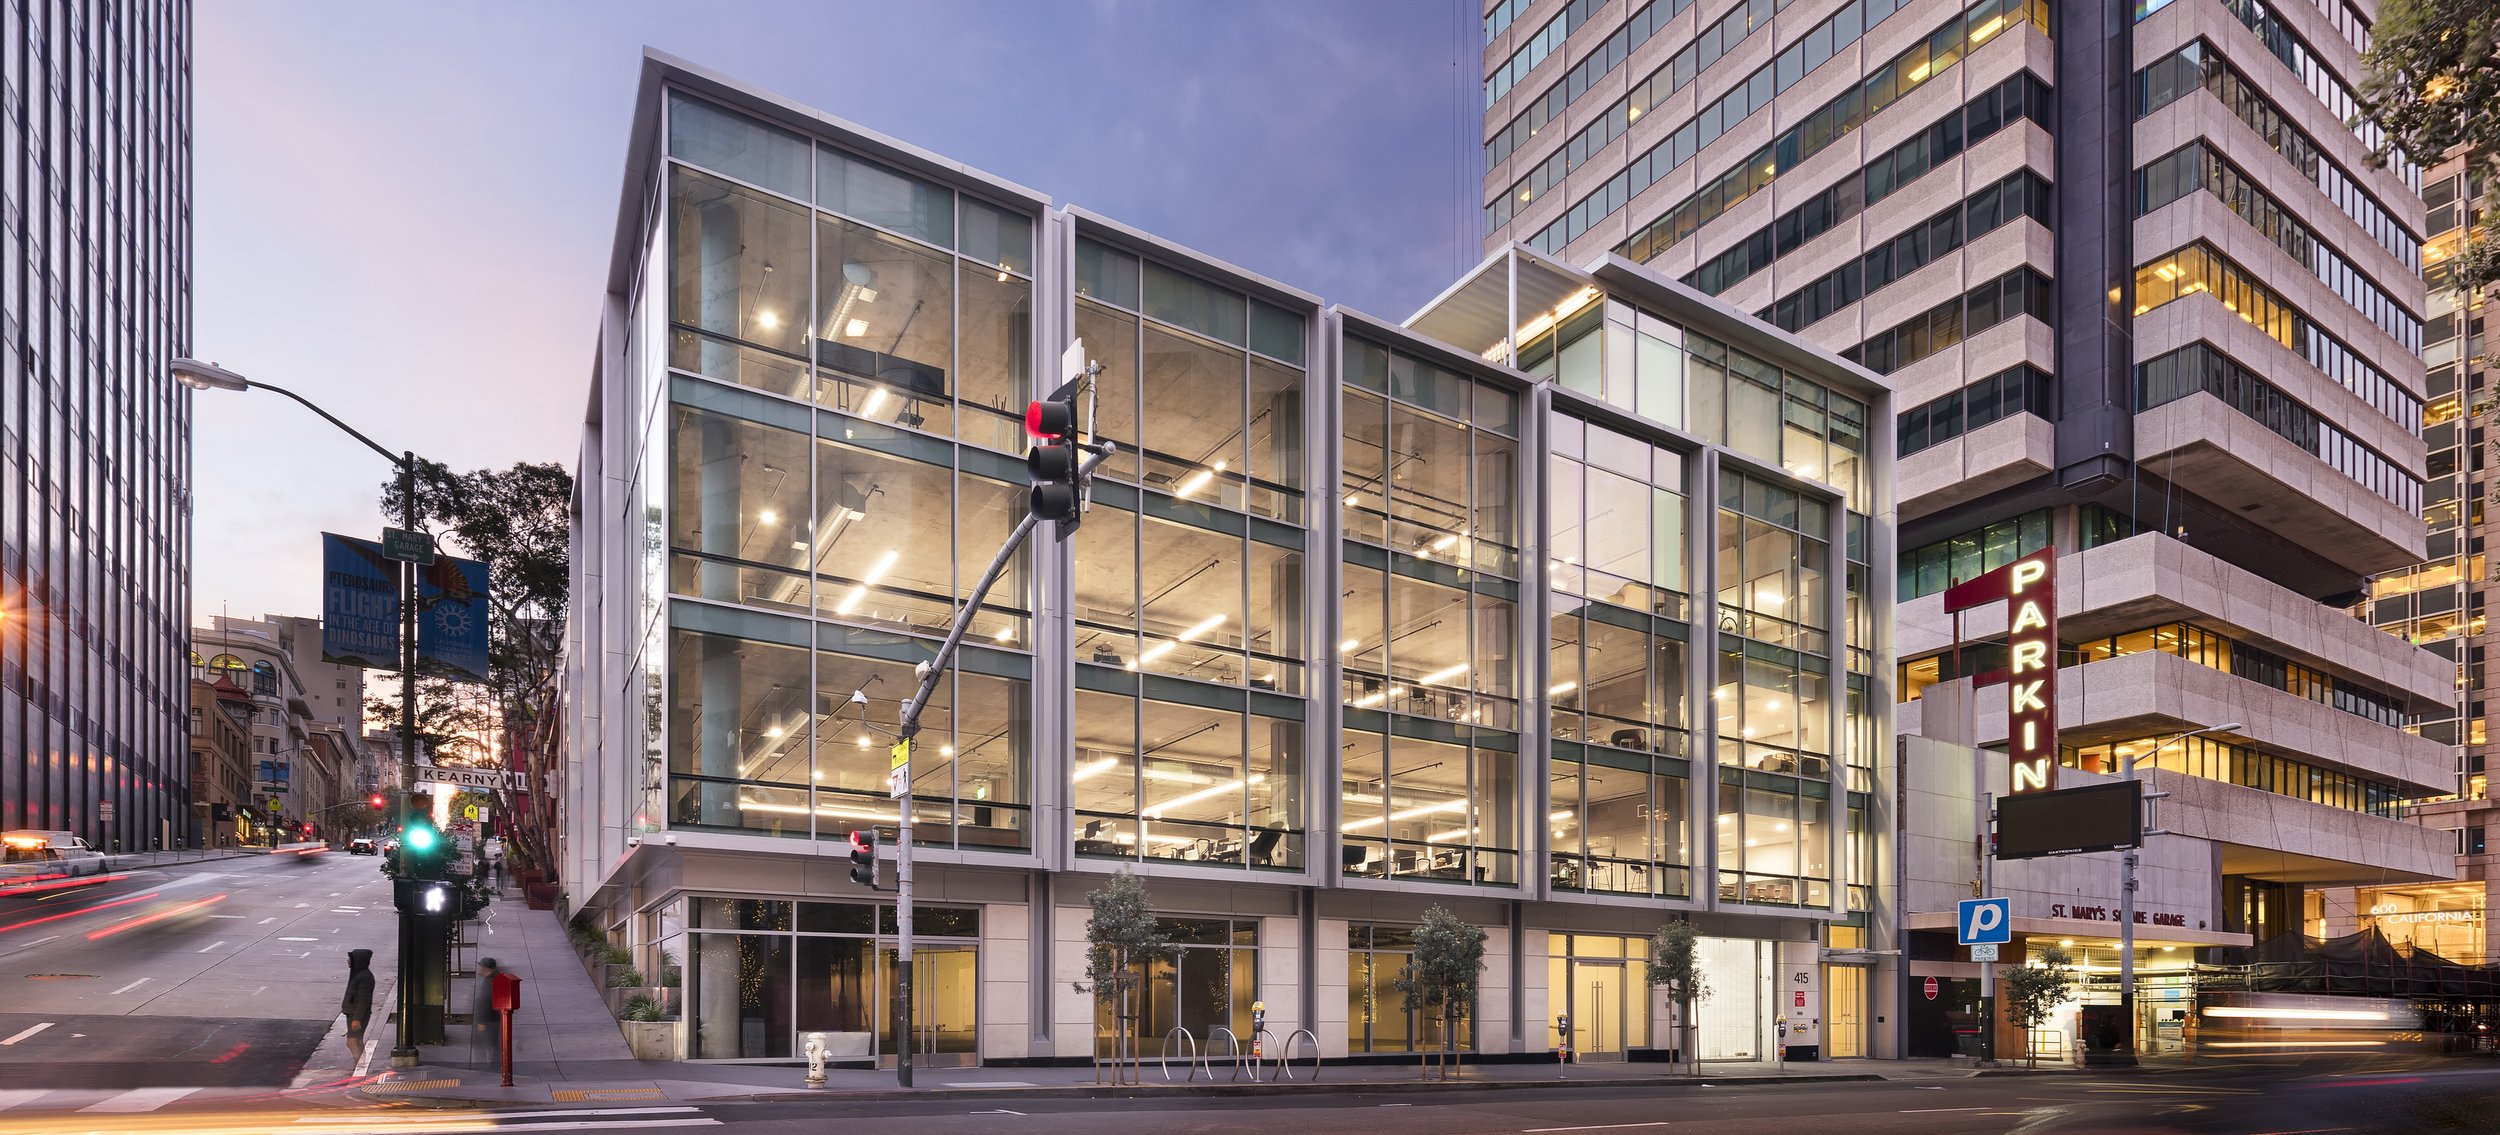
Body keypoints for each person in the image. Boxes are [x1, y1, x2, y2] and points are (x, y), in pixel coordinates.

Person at [341, 948, 375, 1066]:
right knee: (357, 1040)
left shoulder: (364, 977)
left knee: (352, 1041)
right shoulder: (360, 975)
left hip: (356, 1015)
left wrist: (357, 1018)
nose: (349, 961)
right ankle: (361, 1065)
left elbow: (363, 1001)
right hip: (354, 1014)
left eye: (351, 959)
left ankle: (360, 1065)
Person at [473, 957, 502, 1069]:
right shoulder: (494, 979)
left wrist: (481, 1022)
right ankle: (494, 1066)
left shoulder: (490, 983)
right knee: (493, 1045)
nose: (479, 969)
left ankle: (490, 1068)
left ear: (485, 969)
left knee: (486, 1045)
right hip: (493, 1020)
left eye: (481, 967)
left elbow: (485, 1002)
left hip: (488, 1021)